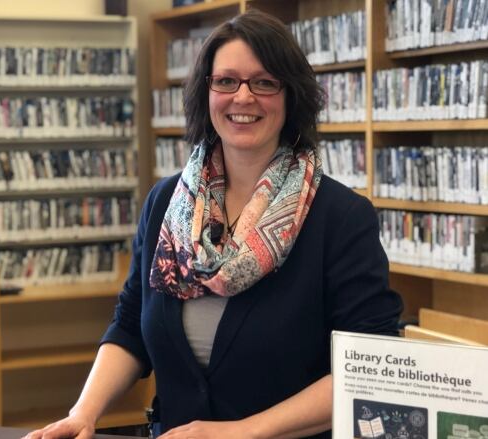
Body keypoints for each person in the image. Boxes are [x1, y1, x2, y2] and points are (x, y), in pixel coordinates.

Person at [25, 9, 402, 439]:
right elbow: (130, 323)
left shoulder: (340, 217)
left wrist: (240, 432)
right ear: (206, 93)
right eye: (226, 81)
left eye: (264, 82)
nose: (243, 97)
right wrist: (84, 413)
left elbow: (368, 368)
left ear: (291, 95)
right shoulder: (167, 203)